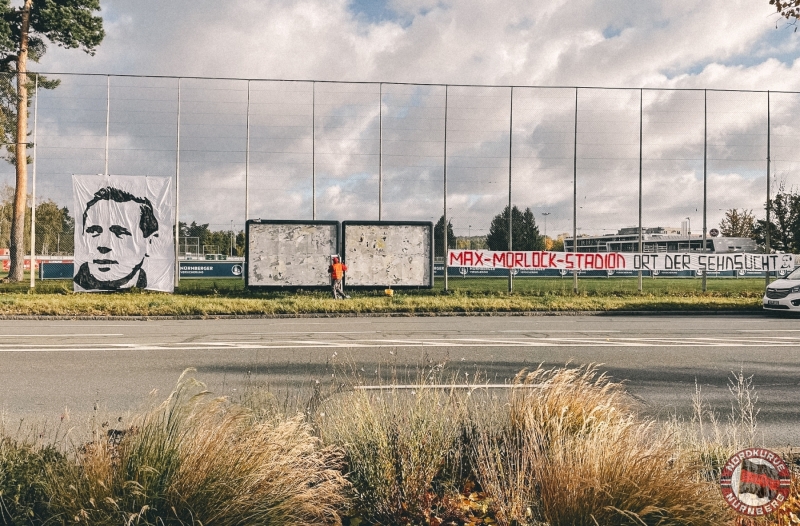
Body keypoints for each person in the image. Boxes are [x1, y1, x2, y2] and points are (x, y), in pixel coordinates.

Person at [74, 186, 159, 291]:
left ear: (149, 242)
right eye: (94, 231)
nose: (103, 246)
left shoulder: (151, 284)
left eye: (118, 232)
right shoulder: (79, 282)